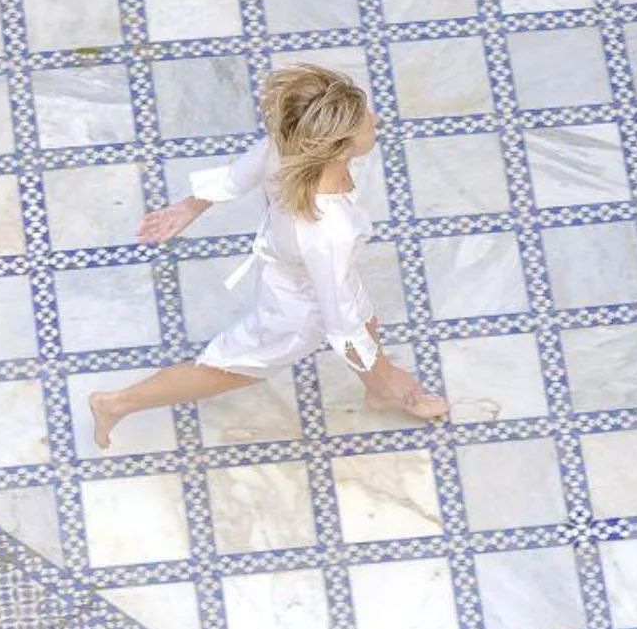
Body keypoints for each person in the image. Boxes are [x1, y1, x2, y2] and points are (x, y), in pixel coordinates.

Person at [91, 64, 449, 450]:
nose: (375, 120)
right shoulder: (331, 231)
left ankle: (378, 392)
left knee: (368, 318)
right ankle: (116, 403)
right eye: (366, 124)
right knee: (229, 368)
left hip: (305, 270)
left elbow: (237, 176)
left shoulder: (290, 145)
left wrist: (189, 208)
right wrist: (386, 368)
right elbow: (340, 323)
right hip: (297, 309)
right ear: (340, 148)